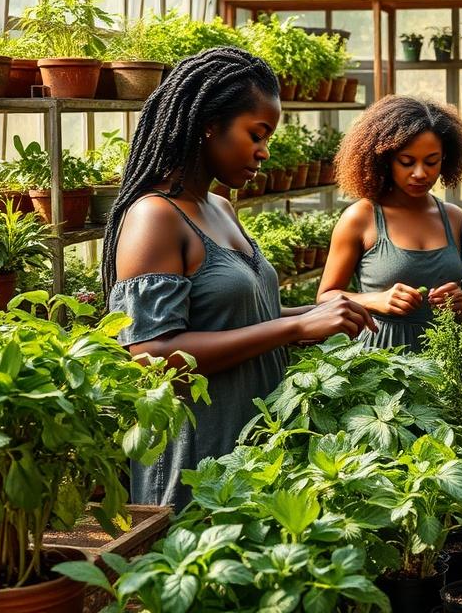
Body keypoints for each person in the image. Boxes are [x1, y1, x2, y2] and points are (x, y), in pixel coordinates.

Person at [104, 47, 374, 510]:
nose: (265, 151)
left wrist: (319, 312)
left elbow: (240, 316)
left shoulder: (221, 208)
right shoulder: (155, 216)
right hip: (198, 456)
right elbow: (149, 355)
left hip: (253, 448)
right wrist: (293, 328)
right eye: (257, 133)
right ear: (210, 124)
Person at [317, 95, 462, 352]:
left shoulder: (454, 218)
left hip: (444, 366)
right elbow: (325, 297)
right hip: (380, 364)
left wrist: (461, 301)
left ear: (446, 159)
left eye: (432, 161)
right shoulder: (361, 217)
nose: (420, 173)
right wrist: (375, 299)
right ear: (385, 159)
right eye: (407, 161)